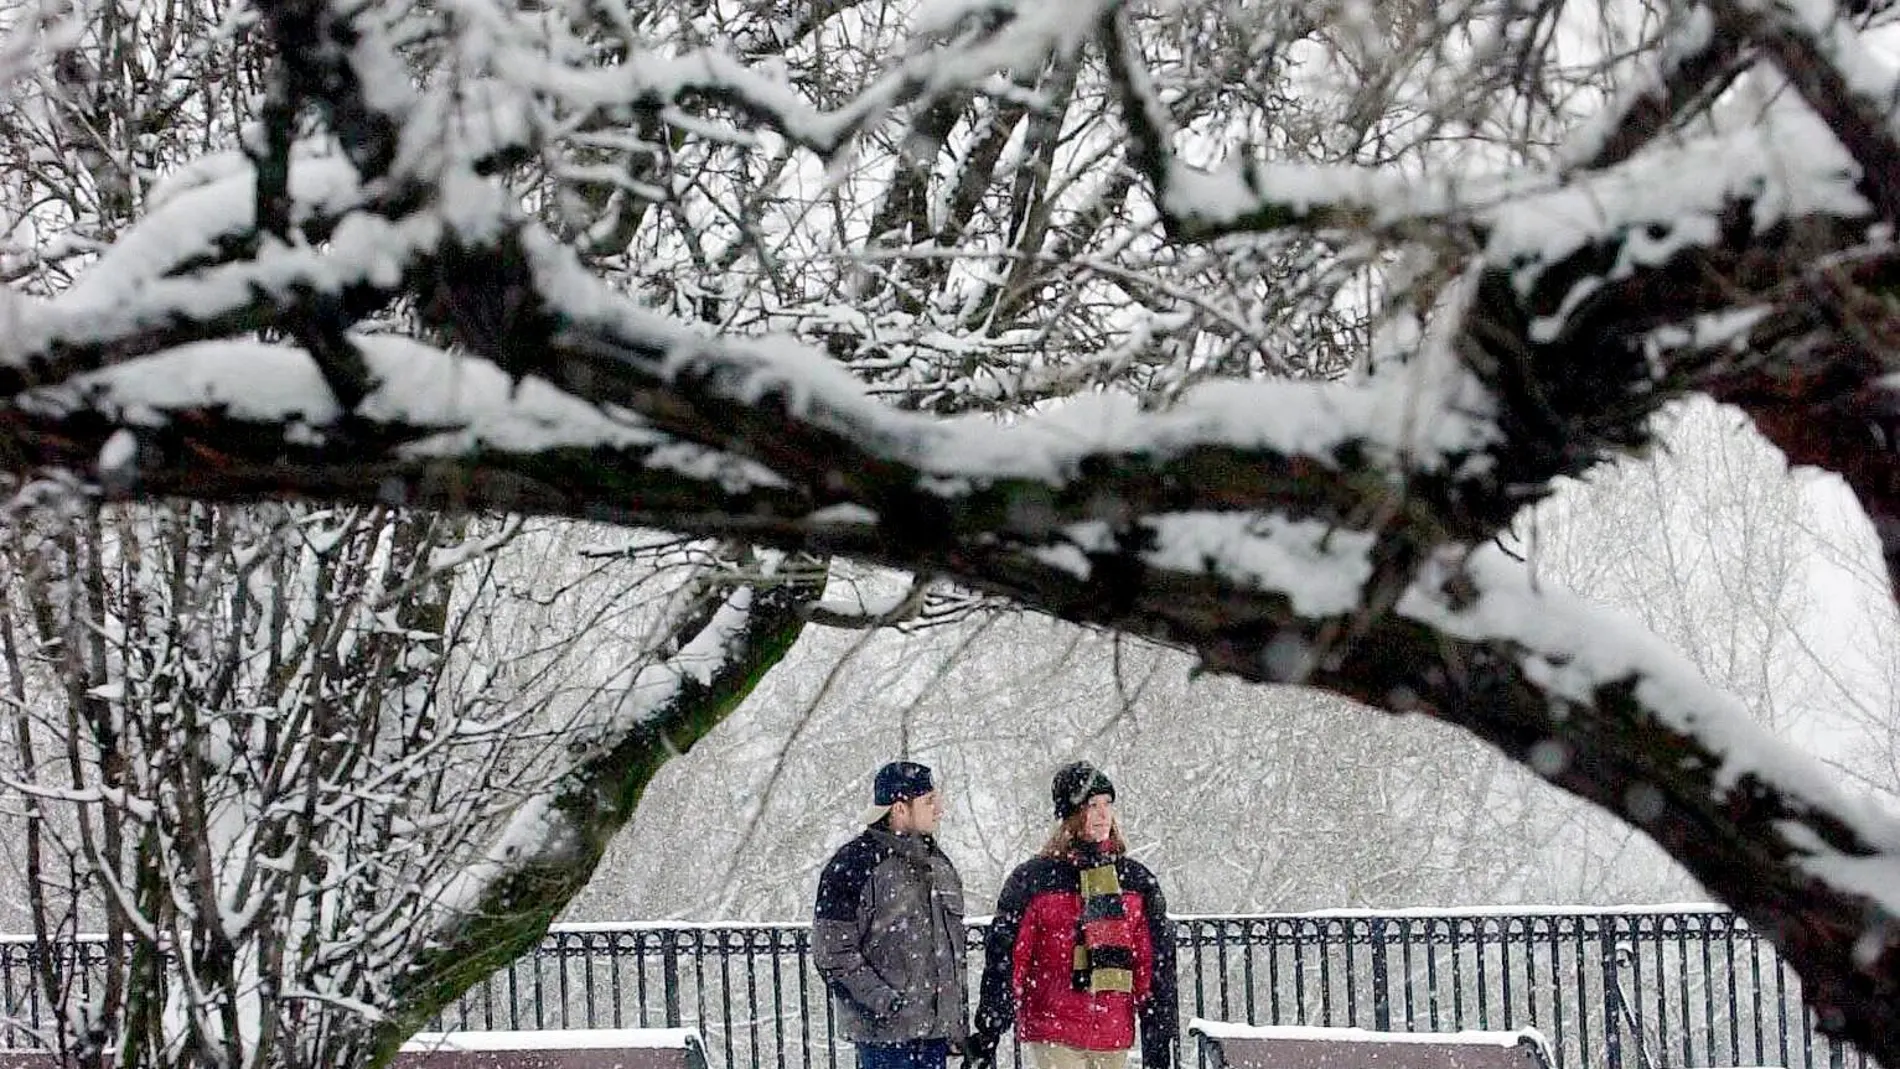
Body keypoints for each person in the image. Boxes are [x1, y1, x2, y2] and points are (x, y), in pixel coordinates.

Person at [967, 762, 1177, 1069]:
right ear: (1072, 814)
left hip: (1112, 1030)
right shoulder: (1035, 880)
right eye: (1092, 805)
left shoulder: (1134, 881)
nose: (1103, 814)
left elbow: (1151, 963)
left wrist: (1157, 1033)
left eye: (1108, 804)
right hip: (1054, 1028)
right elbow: (1010, 957)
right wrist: (990, 1029)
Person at [813, 760, 970, 1069]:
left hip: (934, 1036)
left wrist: (955, 1022)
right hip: (885, 1039)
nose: (939, 809)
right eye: (928, 801)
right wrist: (886, 1002)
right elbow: (831, 952)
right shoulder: (852, 866)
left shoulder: (938, 863)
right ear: (899, 808)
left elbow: (952, 950)